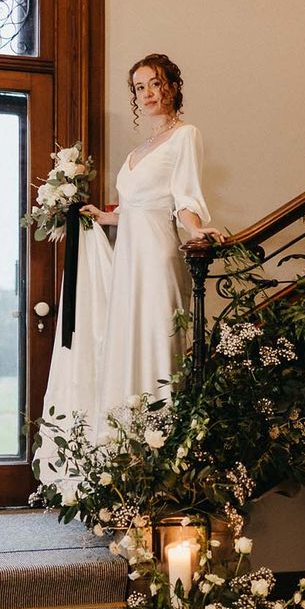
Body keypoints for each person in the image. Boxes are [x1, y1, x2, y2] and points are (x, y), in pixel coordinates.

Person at [36, 53, 224, 483]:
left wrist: (197, 231)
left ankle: (164, 451)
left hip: (156, 253)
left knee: (156, 336)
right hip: (129, 253)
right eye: (140, 87)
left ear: (172, 87)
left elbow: (183, 197)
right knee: (127, 338)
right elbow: (138, 206)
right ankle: (128, 450)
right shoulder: (140, 149)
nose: (149, 94)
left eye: (155, 84)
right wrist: (104, 217)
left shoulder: (185, 136)